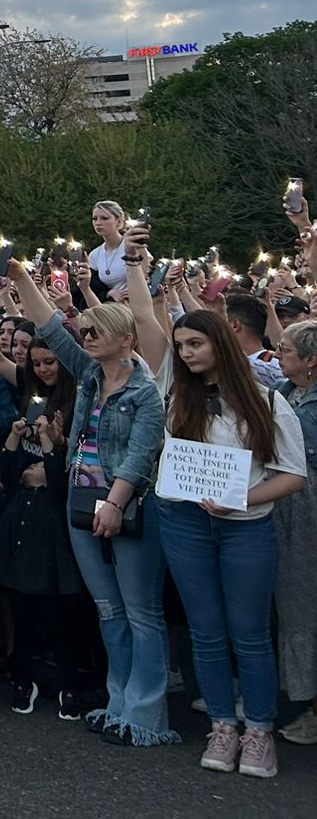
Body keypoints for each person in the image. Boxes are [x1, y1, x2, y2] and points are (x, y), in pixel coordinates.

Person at [5, 256, 172, 742]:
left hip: (128, 507)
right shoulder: (92, 377)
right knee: (109, 610)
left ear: (127, 339)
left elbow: (142, 453)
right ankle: (118, 700)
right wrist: (20, 278)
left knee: (142, 613)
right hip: (81, 501)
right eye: (88, 332)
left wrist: (115, 505)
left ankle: (147, 716)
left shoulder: (145, 393)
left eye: (97, 331)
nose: (87, 338)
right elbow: (52, 329)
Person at [156, 307, 307, 780]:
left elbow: (293, 476)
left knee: (250, 633)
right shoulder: (180, 399)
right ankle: (223, 725)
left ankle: (258, 730)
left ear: (219, 342)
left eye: (195, 344)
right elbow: (174, 461)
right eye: (181, 346)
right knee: (205, 630)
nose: (186, 353)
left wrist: (240, 498)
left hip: (247, 527)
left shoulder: (267, 400)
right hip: (186, 522)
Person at [274, 317, 317, 745]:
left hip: (308, 508)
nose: (278, 353)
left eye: (286, 350)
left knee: (306, 604)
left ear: (311, 361)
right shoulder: (287, 392)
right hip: (289, 505)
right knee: (293, 605)